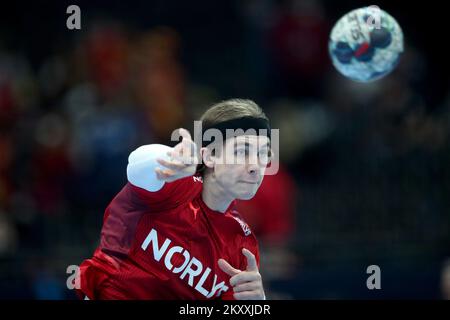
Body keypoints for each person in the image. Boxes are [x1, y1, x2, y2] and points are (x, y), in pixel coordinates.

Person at [76, 99, 272, 300]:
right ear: (209, 156)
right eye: (242, 152)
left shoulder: (243, 245)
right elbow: (136, 166)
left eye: (263, 153)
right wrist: (169, 159)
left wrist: (256, 304)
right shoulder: (172, 186)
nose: (255, 166)